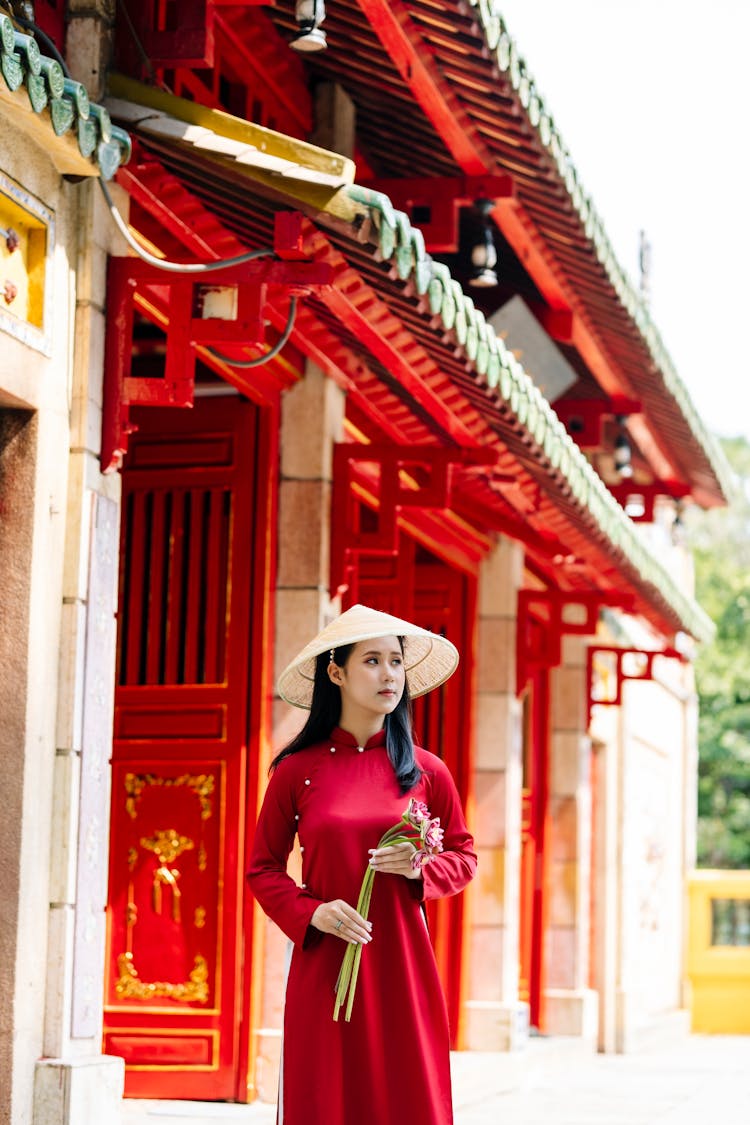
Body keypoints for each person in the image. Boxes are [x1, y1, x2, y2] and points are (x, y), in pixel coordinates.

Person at [247, 604, 476, 1125]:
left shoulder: (426, 771)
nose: (389, 674)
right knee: (326, 1096)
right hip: (326, 964)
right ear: (337, 672)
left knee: (406, 1096)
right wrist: (312, 913)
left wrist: (421, 869)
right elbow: (263, 868)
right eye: (372, 661)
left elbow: (463, 856)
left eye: (396, 661)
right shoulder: (295, 771)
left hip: (402, 963)